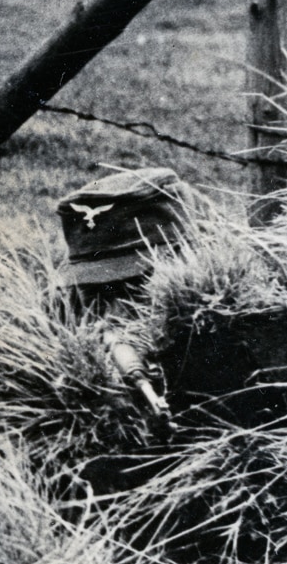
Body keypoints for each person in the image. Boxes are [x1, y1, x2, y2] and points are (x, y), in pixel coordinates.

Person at [57, 167, 192, 429]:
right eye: (97, 291)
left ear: (186, 263)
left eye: (136, 288)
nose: (114, 314)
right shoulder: (58, 308)